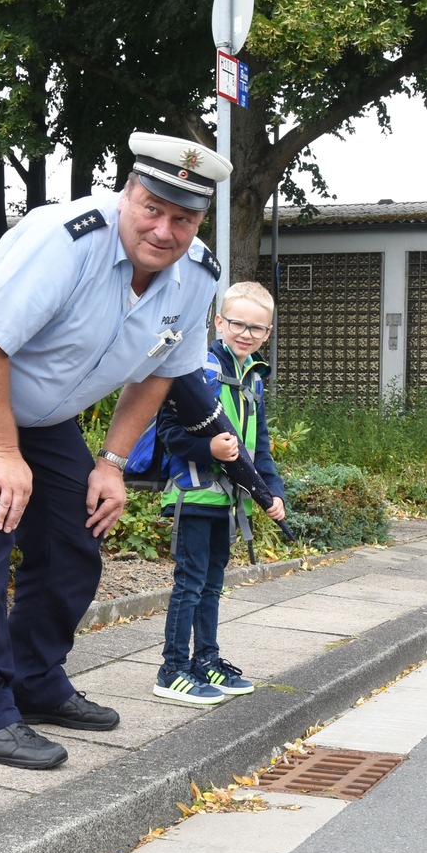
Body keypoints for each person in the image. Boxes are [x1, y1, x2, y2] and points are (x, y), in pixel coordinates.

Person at [0, 132, 232, 769]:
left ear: (200, 220)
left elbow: (160, 373)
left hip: (37, 400)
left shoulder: (198, 275)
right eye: (152, 207)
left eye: (183, 217)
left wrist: (112, 463)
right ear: (128, 194)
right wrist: (0, 452)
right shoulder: (67, 239)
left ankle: (34, 683)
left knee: (74, 530)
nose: (164, 229)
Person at [152, 280, 286, 706]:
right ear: (218, 322)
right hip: (194, 496)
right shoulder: (199, 368)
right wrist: (206, 448)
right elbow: (168, 433)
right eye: (237, 324)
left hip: (230, 501)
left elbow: (258, 446)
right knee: (189, 584)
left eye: (257, 328)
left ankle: (206, 661)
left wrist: (273, 490)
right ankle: (173, 669)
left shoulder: (254, 379)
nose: (246, 333)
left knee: (211, 585)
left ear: (267, 334)